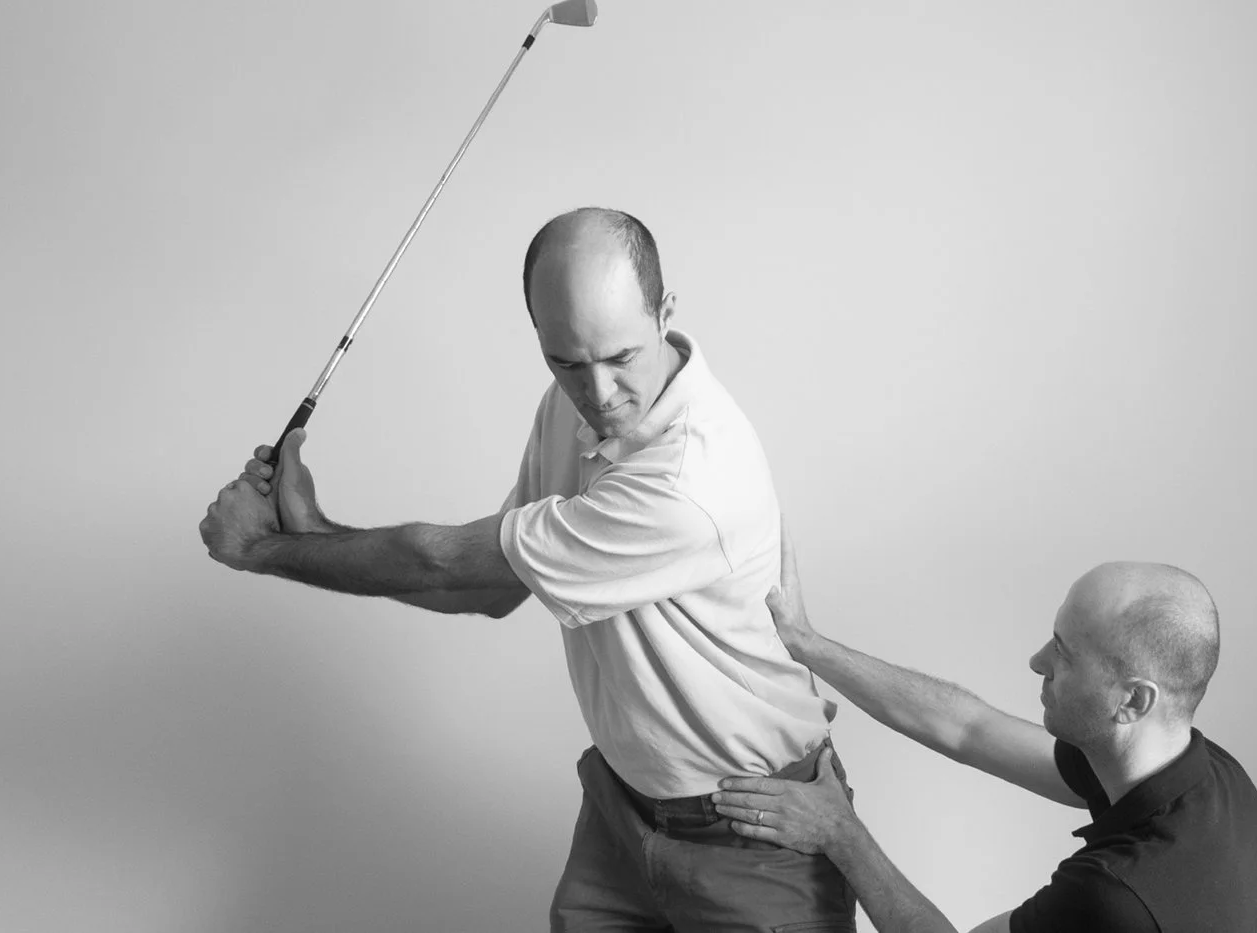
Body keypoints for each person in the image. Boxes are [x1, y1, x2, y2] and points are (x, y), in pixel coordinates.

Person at [199, 207, 853, 931]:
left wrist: (264, 548)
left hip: (757, 831)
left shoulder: (692, 477)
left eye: (621, 357)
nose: (598, 393)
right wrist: (312, 528)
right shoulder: (567, 410)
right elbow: (491, 585)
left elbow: (442, 562)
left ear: (665, 311)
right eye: (567, 362)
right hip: (624, 813)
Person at [710, 542, 1257, 933]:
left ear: (1133, 699)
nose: (1036, 661)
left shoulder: (1118, 897)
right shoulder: (1205, 775)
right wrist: (808, 643)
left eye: (1064, 655)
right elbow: (968, 727)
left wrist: (841, 835)